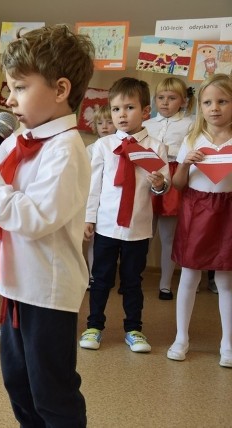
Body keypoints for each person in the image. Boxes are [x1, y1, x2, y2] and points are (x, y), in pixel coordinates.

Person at [0, 24, 93, 426]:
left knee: (52, 391)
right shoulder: (23, 139)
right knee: (18, 383)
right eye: (10, 88)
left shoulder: (66, 149)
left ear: (60, 89)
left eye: (20, 87)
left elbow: (33, 219)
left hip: (46, 291)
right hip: (19, 284)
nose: (10, 98)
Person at [81, 77, 170, 354]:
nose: (121, 114)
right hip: (107, 226)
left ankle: (134, 329)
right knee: (101, 278)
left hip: (137, 228)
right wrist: (89, 218)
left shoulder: (156, 147)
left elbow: (162, 186)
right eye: (116, 108)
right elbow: (94, 186)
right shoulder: (103, 146)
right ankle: (94, 325)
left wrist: (159, 184)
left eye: (129, 107)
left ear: (145, 112)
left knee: (133, 281)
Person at [167, 73, 232, 368]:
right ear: (200, 107)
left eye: (222, 101)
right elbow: (178, 184)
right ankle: (181, 338)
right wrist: (185, 162)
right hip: (197, 208)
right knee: (190, 275)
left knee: (225, 279)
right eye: (207, 102)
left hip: (227, 211)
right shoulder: (193, 138)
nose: (214, 108)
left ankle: (227, 344)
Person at [143, 77, 195, 300]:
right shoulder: (146, 123)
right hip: (149, 172)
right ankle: (132, 279)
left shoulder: (190, 123)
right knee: (144, 233)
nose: (164, 103)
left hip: (174, 176)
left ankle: (165, 284)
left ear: (183, 101)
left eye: (171, 98)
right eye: (160, 98)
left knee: (168, 236)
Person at [85, 105, 117, 289]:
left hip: (111, 201)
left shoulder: (121, 146)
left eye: (109, 122)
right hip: (93, 198)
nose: (104, 126)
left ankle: (107, 274)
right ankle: (92, 275)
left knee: (109, 240)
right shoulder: (91, 148)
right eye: (100, 123)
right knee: (92, 239)